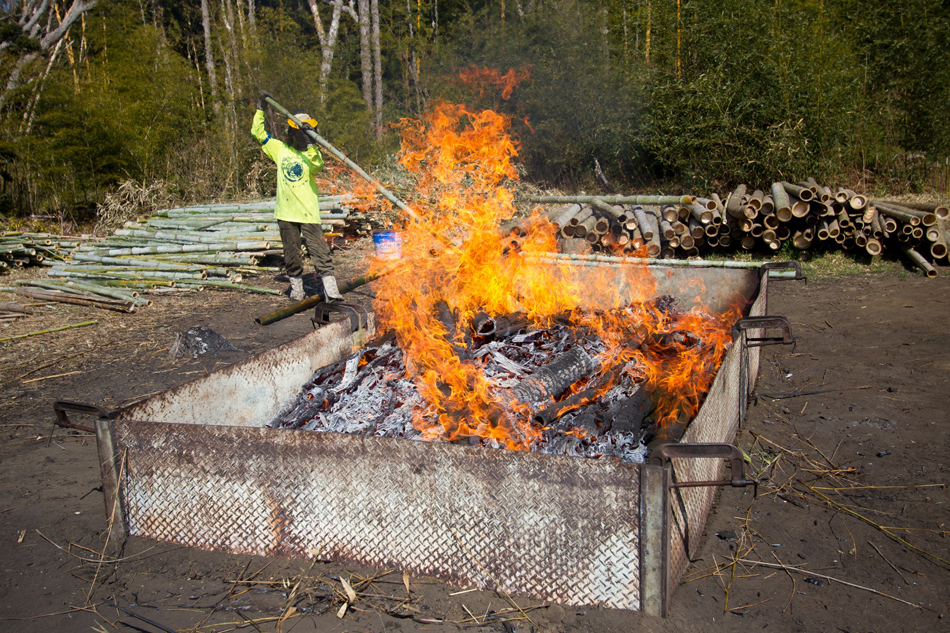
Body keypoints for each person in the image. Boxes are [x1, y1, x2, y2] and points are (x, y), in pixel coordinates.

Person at [252, 90, 343, 302]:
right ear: (291, 133)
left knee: (320, 252)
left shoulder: (313, 155)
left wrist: (311, 142)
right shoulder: (280, 149)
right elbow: (258, 133)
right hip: (286, 213)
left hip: (308, 213)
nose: (302, 136)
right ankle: (297, 289)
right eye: (300, 132)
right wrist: (260, 108)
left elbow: (317, 165)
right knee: (292, 255)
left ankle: (331, 290)